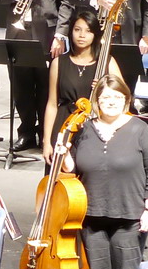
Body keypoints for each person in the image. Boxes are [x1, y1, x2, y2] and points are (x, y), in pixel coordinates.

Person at [65, 75, 148, 269]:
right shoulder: (83, 128)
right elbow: (75, 168)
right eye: (105, 98)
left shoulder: (140, 129)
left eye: (117, 98)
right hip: (91, 214)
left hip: (129, 215)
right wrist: (64, 155)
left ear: (126, 101)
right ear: (96, 101)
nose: (111, 102)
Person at [0, 0, 70, 151]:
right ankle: (26, 132)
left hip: (46, 33)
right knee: (20, 87)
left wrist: (60, 35)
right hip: (18, 32)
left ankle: (45, 133)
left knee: (45, 86)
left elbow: (66, 2)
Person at [43, 10, 123, 164]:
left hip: (96, 126)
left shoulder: (107, 62)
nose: (81, 35)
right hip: (64, 124)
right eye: (77, 29)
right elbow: (52, 104)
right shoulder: (58, 62)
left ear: (95, 35)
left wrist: (104, 88)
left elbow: (124, 96)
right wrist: (47, 142)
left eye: (88, 31)